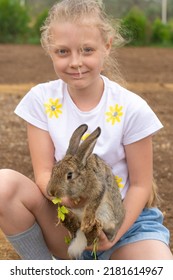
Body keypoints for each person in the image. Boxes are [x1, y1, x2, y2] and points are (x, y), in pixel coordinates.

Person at [0, 0, 172, 260]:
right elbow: (45, 173)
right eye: (62, 52)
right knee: (4, 186)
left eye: (87, 50)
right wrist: (67, 201)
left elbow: (140, 185)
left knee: (157, 267)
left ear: (107, 46)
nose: (75, 62)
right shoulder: (41, 100)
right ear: (49, 50)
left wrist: (112, 232)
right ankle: (49, 270)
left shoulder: (131, 108)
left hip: (125, 224)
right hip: (68, 223)